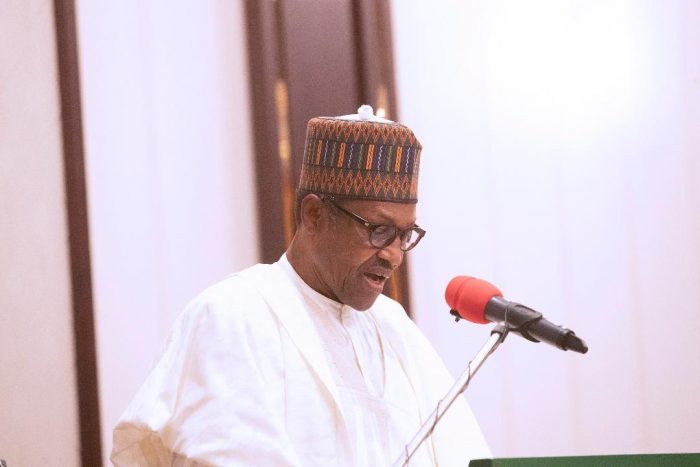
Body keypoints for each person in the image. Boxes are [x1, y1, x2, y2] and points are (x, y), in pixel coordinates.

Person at [111, 106, 491, 466]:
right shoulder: (234, 315)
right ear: (313, 215)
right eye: (379, 231)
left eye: (405, 236)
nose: (394, 256)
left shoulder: (395, 329)